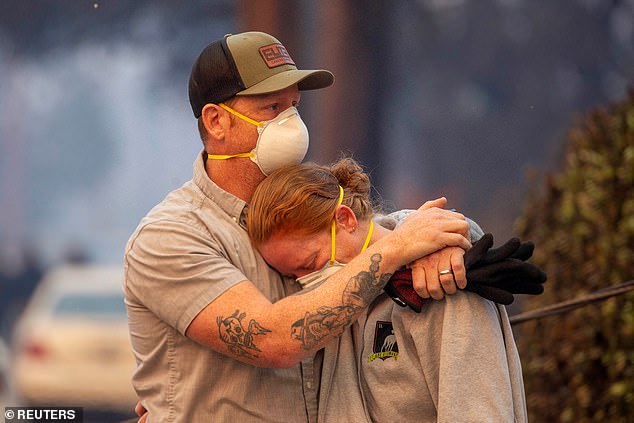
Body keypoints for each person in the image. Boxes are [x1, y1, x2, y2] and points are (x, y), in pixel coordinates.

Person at [124, 31, 472, 422]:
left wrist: (435, 239)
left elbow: (369, 231)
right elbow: (273, 340)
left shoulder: (297, 210)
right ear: (216, 120)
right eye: (272, 107)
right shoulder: (170, 237)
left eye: (295, 106)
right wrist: (394, 251)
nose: (291, 122)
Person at [246, 157, 529, 422]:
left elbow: (477, 411)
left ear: (345, 219)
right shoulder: (335, 312)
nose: (307, 282)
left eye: (310, 263)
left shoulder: (442, 280)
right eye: (293, 277)